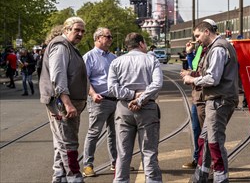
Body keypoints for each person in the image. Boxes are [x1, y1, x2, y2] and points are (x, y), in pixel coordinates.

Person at [183, 20, 239, 182]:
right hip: (217, 99)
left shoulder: (218, 49)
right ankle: (202, 173)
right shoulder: (217, 47)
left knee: (214, 141)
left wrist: (191, 80)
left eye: (198, 35)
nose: (197, 40)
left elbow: (213, 78)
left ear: (207, 32)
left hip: (219, 100)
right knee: (205, 139)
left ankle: (221, 177)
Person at [108, 32, 163, 183]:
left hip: (124, 109)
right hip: (147, 110)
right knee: (149, 151)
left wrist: (131, 95)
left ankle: (120, 180)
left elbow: (112, 88)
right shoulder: (151, 60)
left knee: (123, 152)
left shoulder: (116, 62)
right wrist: (140, 98)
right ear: (141, 44)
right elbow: (157, 84)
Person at [39, 17, 88, 183]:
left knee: (61, 141)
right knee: (69, 142)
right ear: (66, 30)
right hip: (62, 104)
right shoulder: (61, 46)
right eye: (77, 30)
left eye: (82, 31)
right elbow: (58, 77)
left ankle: (59, 176)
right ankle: (74, 177)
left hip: (68, 103)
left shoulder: (69, 47)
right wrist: (67, 103)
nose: (80, 34)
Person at [82, 27, 118, 177]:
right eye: (107, 36)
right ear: (98, 38)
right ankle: (88, 165)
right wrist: (93, 94)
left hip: (116, 100)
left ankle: (116, 163)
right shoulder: (89, 57)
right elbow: (85, 79)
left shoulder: (113, 57)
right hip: (99, 100)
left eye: (110, 37)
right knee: (94, 133)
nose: (110, 39)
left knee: (114, 133)